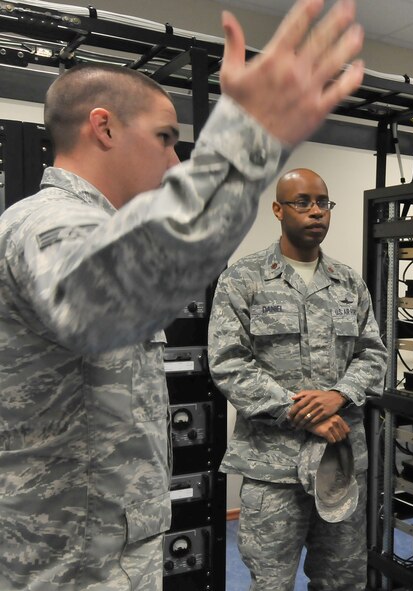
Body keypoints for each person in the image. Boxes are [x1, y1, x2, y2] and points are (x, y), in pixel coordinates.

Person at [0, 0, 364, 588]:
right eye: (166, 137)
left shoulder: (79, 225)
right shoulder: (47, 224)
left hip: (101, 544)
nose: (174, 159)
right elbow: (103, 298)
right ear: (104, 127)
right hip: (68, 560)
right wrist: (247, 142)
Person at [208, 168, 386, 590]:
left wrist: (338, 396)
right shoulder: (243, 279)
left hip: (339, 461)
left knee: (343, 579)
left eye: (323, 202)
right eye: (302, 202)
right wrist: (300, 411)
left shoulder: (348, 282)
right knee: (271, 581)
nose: (316, 211)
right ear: (277, 209)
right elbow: (228, 362)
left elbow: (373, 354)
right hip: (274, 467)